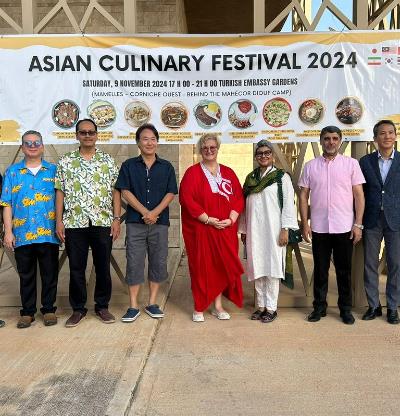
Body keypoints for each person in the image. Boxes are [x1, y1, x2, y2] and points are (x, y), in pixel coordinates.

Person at [55, 119, 121, 327]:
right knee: (76, 267)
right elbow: (60, 192)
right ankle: (78, 309)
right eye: (83, 132)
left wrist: (117, 218)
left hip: (102, 221)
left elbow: (115, 191)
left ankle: (102, 306)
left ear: (97, 135)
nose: (87, 136)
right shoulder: (65, 161)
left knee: (102, 266)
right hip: (74, 223)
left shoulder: (108, 160)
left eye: (91, 132)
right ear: (76, 135)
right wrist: (59, 221)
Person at [299, 125, 365, 325]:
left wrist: (358, 224)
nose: (331, 142)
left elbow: (359, 195)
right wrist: (305, 223)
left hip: (344, 226)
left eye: (335, 138)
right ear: (321, 141)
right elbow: (303, 195)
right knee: (320, 269)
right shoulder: (310, 166)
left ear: (340, 140)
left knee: (344, 270)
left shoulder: (351, 164)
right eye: (327, 138)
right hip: (319, 227)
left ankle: (345, 309)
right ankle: (319, 307)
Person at [116, 124, 177, 322]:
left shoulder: (166, 166)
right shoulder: (128, 166)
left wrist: (155, 213)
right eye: (145, 139)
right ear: (138, 143)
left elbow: (171, 192)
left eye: (153, 139)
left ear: (157, 142)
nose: (149, 143)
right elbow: (124, 191)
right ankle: (133, 305)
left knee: (158, 261)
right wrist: (145, 212)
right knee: (134, 261)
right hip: (136, 222)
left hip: (160, 222)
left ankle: (152, 302)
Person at [179, 133, 244, 322]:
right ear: (200, 150)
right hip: (203, 230)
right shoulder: (192, 173)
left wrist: (231, 220)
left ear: (218, 149)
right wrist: (207, 219)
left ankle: (217, 306)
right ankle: (199, 307)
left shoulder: (229, 172)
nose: (209, 151)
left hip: (225, 230)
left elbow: (238, 198)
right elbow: (187, 199)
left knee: (221, 267)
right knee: (202, 267)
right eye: (205, 148)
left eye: (212, 147)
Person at [0, 131, 59, 328]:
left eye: (36, 142)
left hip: (49, 233)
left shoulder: (54, 171)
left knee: (49, 274)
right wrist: (8, 231)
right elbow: (6, 203)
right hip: (22, 233)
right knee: (26, 275)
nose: (32, 146)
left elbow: (62, 201)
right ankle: (27, 312)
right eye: (28, 143)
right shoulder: (12, 172)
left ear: (42, 146)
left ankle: (49, 310)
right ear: (22, 147)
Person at [239, 140, 299, 323]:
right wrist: (243, 229)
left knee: (272, 268)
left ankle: (271, 308)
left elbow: (289, 204)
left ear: (272, 156)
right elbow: (244, 207)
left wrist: (285, 229)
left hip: (274, 231)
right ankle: (260, 306)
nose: (263, 156)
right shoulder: (251, 178)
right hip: (254, 230)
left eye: (267, 153)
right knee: (257, 266)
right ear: (256, 157)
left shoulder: (282, 177)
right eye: (260, 153)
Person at [359, 120, 400, 324]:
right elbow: (360, 193)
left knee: (396, 264)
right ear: (375, 138)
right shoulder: (365, 162)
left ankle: (393, 307)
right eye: (382, 133)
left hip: (396, 220)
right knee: (370, 264)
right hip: (372, 218)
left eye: (391, 132)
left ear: (395, 136)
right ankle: (373, 306)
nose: (387, 136)